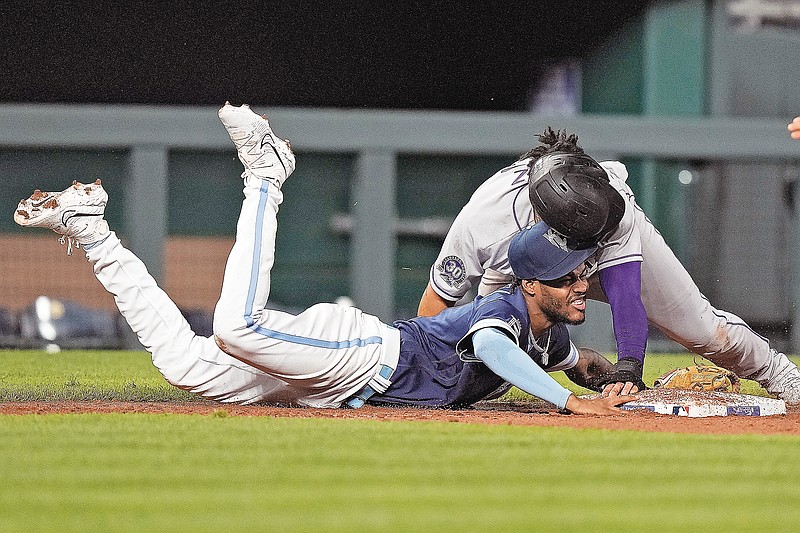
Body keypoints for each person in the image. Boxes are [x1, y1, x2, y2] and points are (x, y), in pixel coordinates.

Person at [13, 103, 637, 414]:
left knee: (185, 364)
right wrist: (567, 403)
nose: (584, 287)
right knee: (235, 326)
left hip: (342, 382)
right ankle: (266, 173)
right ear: (530, 284)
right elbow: (497, 351)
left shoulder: (545, 336)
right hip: (365, 355)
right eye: (570, 279)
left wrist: (622, 385)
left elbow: (577, 362)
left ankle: (91, 230)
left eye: (580, 275)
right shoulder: (503, 313)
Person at [418, 127, 800, 404]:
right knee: (497, 336)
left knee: (704, 331)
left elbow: (624, 292)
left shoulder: (607, 205)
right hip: (517, 266)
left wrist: (630, 365)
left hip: (608, 257)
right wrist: (434, 370)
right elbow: (436, 307)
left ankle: (782, 375)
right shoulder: (484, 223)